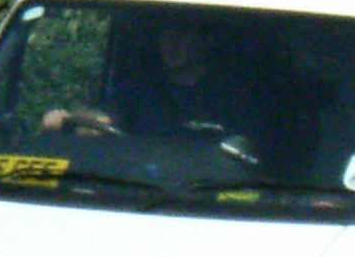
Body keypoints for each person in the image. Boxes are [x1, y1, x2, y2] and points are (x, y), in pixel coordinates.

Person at [43, 16, 265, 163]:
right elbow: (105, 120)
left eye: (182, 34)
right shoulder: (142, 91)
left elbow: (247, 156)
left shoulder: (232, 97)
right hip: (138, 187)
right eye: (166, 34)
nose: (171, 42)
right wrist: (69, 120)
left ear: (204, 40)